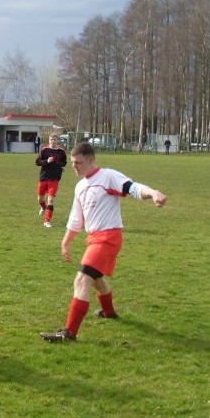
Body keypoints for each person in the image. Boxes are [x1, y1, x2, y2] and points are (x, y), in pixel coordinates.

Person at [40, 142, 166, 343]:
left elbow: (132, 188)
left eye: (78, 163)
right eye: (72, 163)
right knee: (96, 279)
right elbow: (76, 219)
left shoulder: (108, 176)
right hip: (94, 239)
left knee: (82, 280)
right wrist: (65, 242)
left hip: (108, 238)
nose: (74, 167)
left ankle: (69, 333)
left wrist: (153, 193)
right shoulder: (80, 186)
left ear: (91, 160)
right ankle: (109, 312)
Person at [35, 133, 68, 228]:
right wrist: (47, 161)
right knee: (40, 199)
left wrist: (61, 166)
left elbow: (64, 162)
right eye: (51, 139)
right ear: (49, 140)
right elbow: (37, 162)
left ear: (57, 141)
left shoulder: (61, 151)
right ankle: (43, 207)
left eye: (54, 139)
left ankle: (47, 221)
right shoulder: (44, 150)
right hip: (44, 177)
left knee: (51, 199)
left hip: (54, 179)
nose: (53, 141)